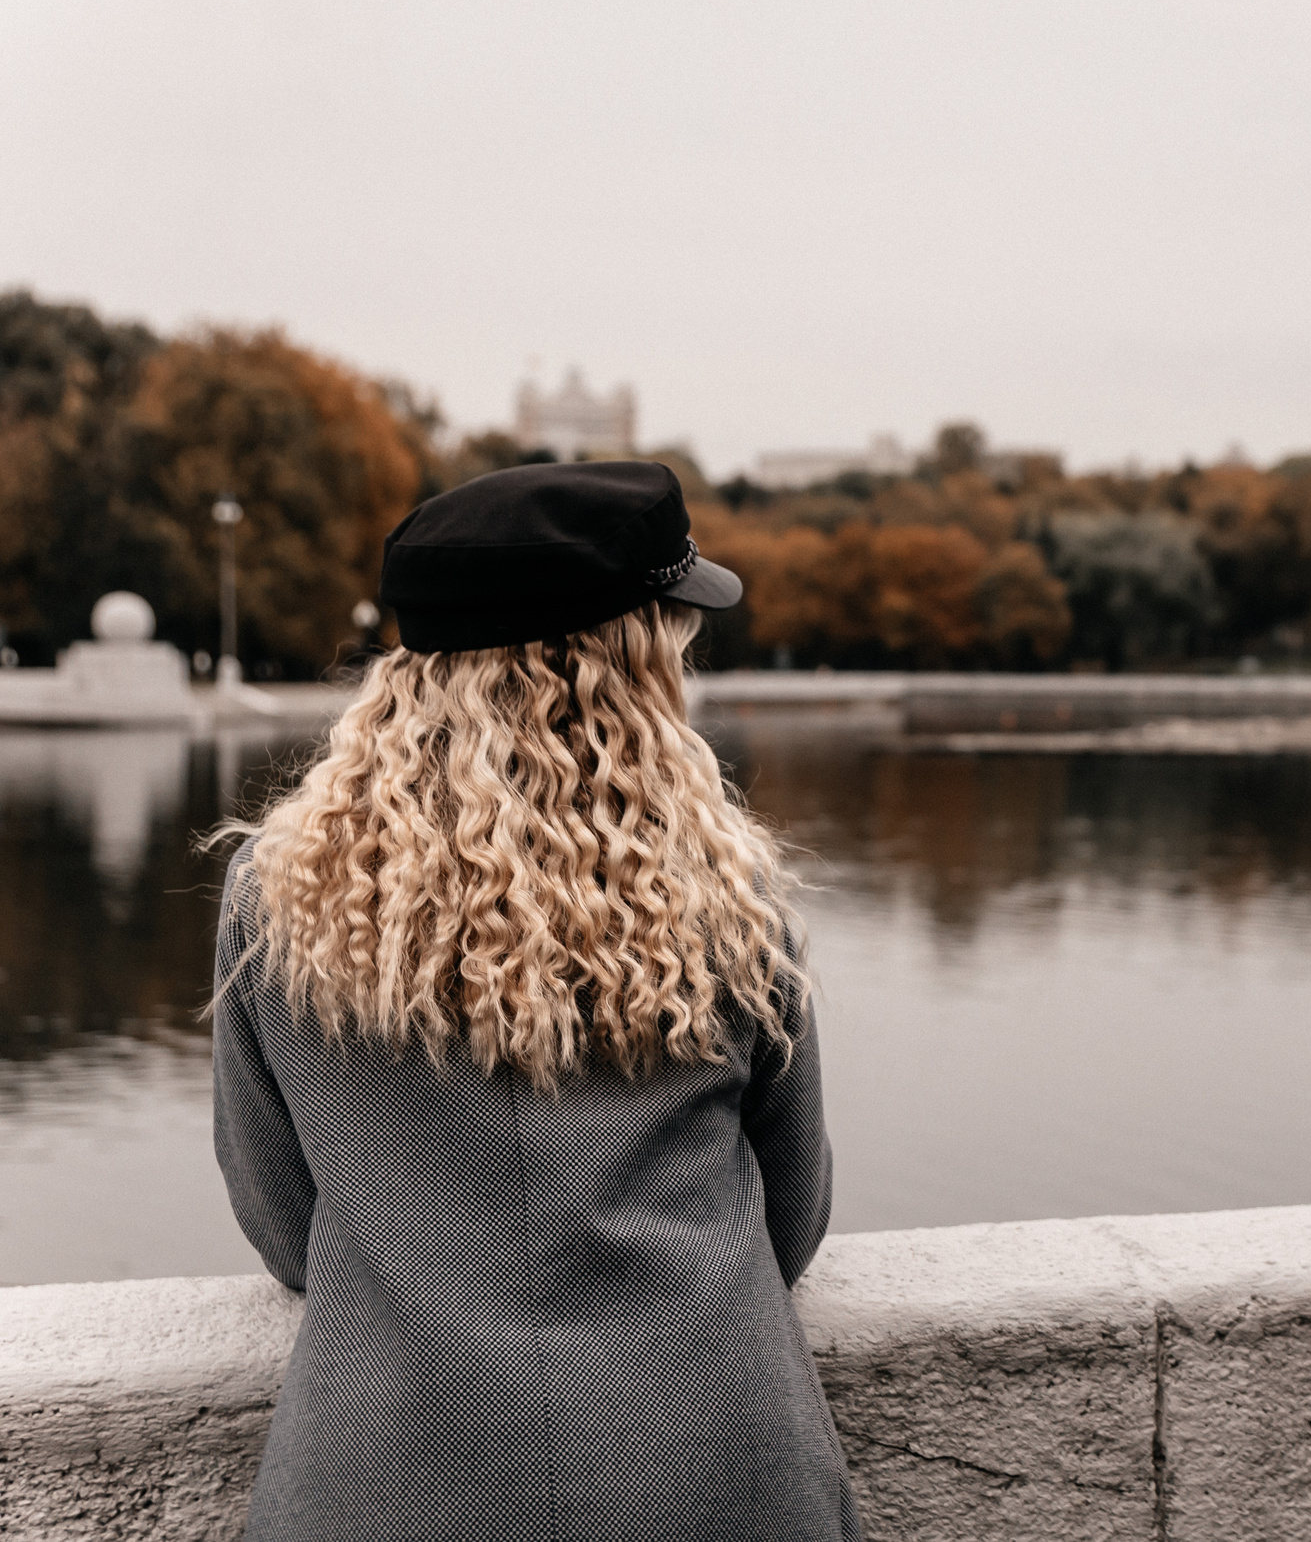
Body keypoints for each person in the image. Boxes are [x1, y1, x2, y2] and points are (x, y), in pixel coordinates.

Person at [209, 461, 859, 1542]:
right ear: (629, 661)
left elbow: (280, 1218)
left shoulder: (281, 899)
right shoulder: (726, 895)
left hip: (383, 1481)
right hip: (712, 1471)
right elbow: (792, 1215)